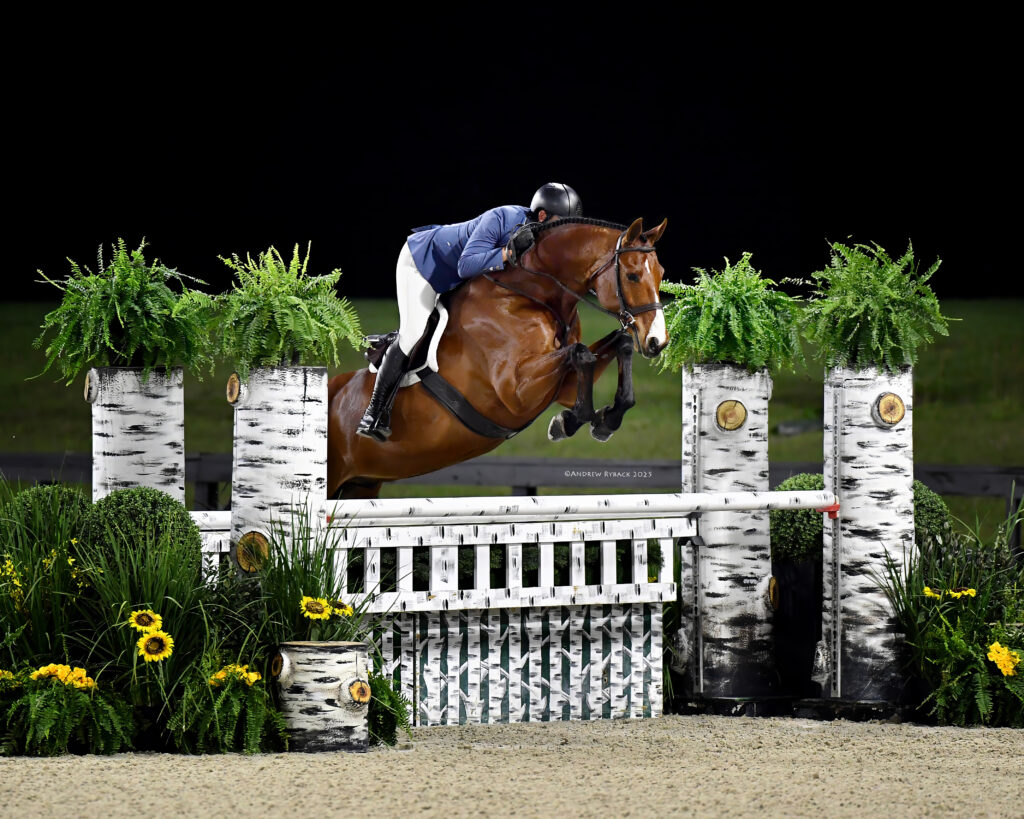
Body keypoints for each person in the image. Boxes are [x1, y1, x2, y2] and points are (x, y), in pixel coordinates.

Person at [357, 182, 584, 441]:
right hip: (424, 264)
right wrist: (508, 252)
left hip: (455, 275)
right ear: (542, 216)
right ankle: (373, 413)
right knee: (413, 334)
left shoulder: (540, 234)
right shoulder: (502, 217)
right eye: (560, 224)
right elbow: (466, 265)